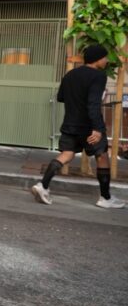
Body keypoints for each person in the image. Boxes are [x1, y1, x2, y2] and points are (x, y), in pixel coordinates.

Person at [31, 44, 125, 209]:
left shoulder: (70, 75)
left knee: (66, 155)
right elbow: (93, 104)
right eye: (105, 57)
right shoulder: (98, 76)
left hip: (70, 123)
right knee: (102, 157)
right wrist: (97, 128)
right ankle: (105, 197)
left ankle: (43, 185)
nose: (106, 60)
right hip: (89, 126)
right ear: (98, 59)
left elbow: (61, 97)